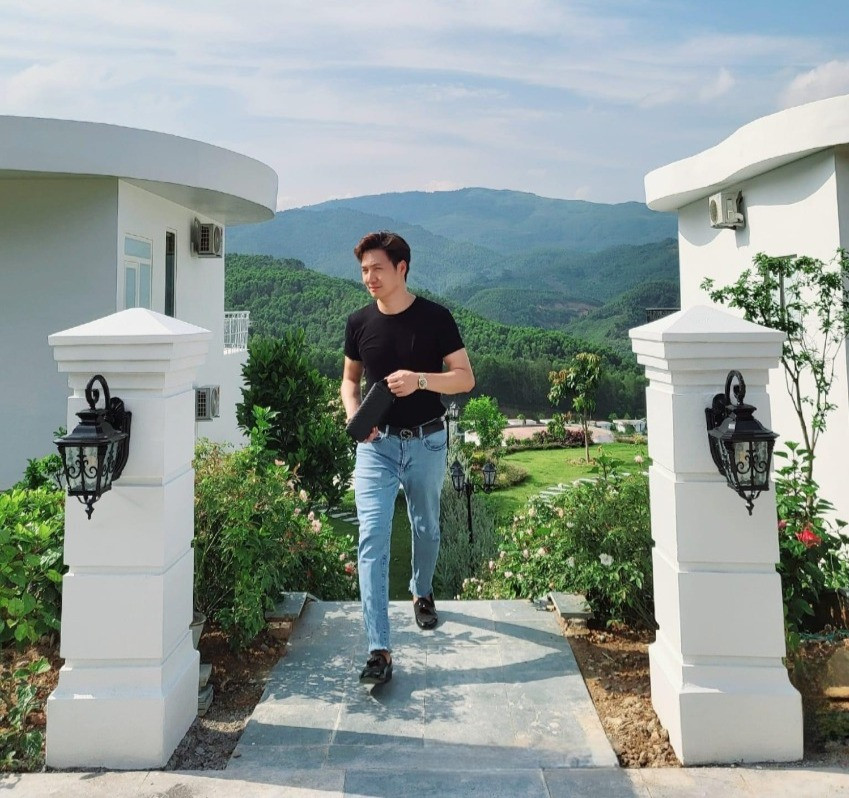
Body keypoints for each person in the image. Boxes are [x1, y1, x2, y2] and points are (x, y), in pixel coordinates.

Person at [341, 231, 475, 684]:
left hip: (427, 442)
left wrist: (420, 380)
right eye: (364, 270)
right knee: (372, 537)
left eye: (377, 268)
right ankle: (379, 649)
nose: (369, 278)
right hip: (375, 448)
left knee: (426, 527)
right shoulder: (359, 322)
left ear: (401, 268)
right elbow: (349, 382)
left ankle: (422, 591)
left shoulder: (436, 318)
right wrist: (355, 417)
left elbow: (464, 378)